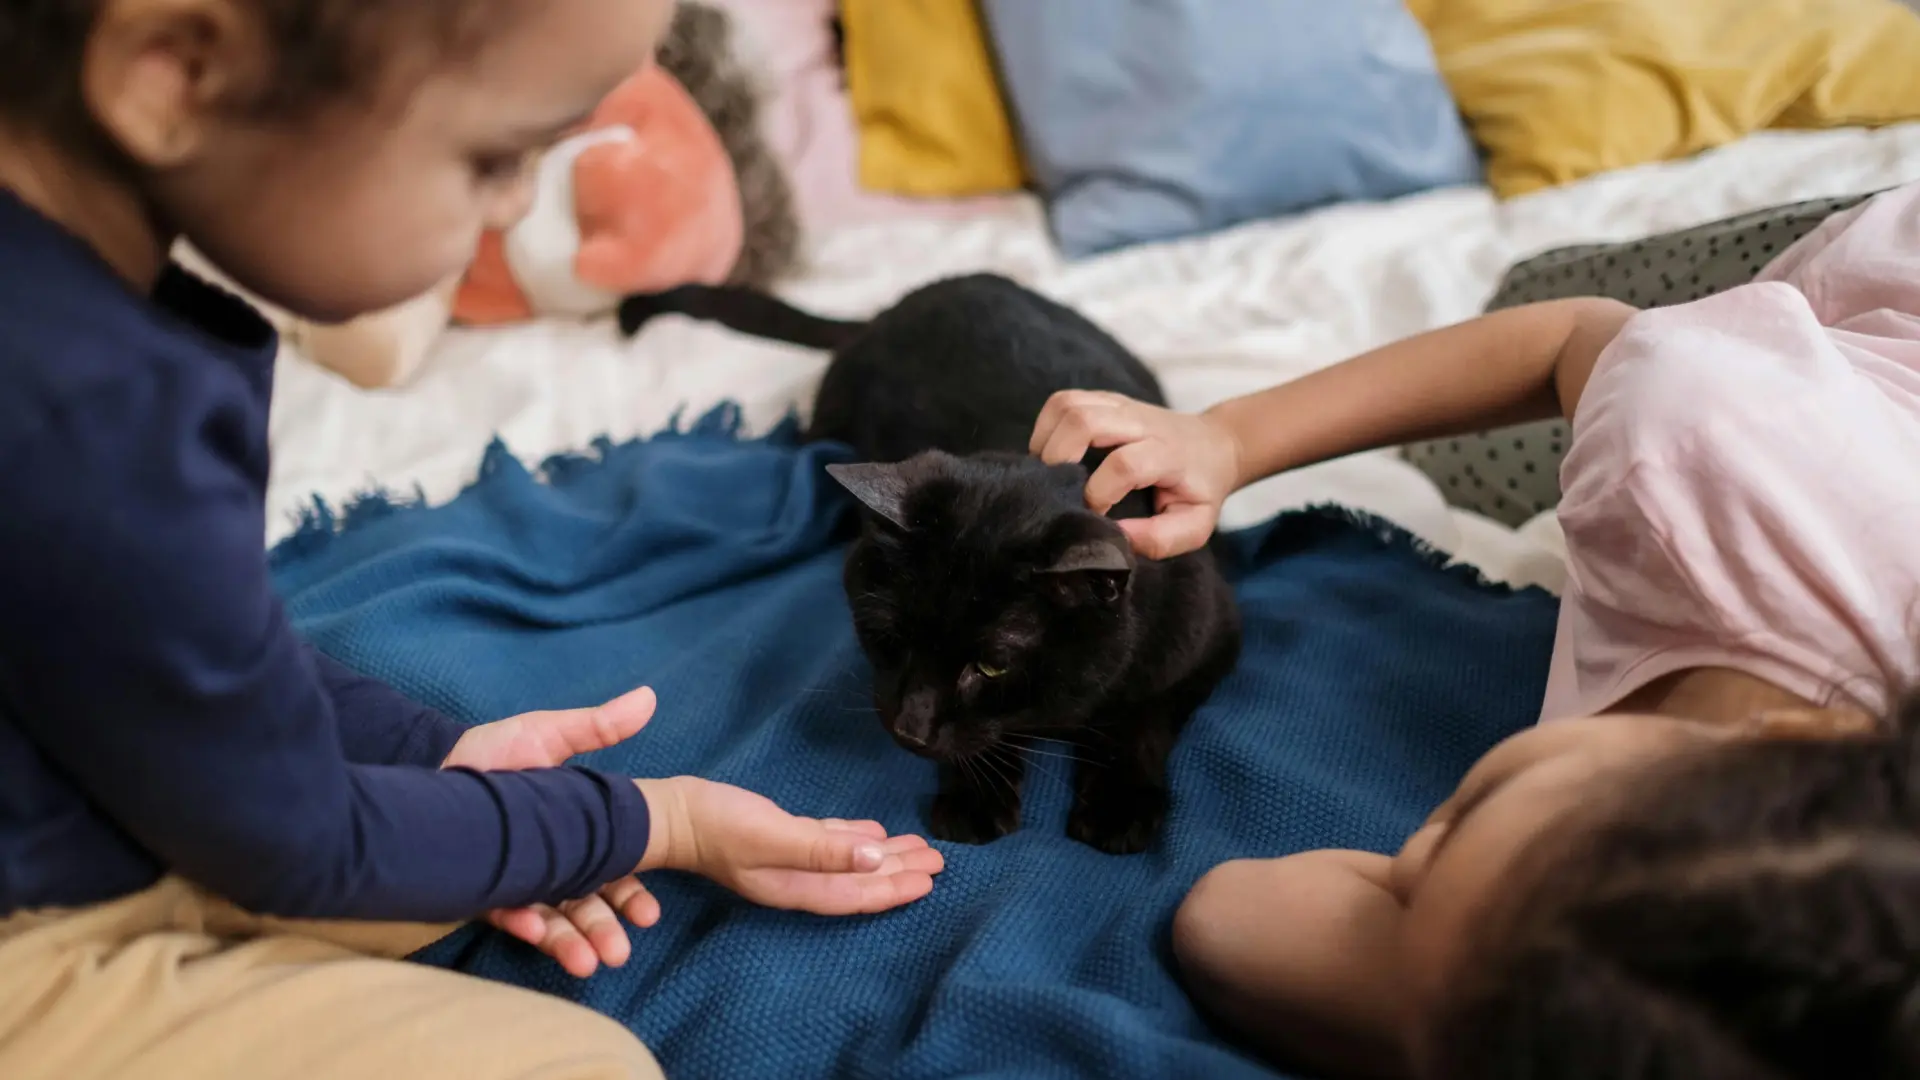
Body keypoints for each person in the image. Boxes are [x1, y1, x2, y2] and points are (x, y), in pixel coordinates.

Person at [0, 2, 942, 1077]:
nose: (516, 208)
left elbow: (149, 646)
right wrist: (658, 821)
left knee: (441, 860)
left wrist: (432, 758)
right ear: (176, 72)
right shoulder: (96, 408)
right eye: (495, 158)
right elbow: (308, 842)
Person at [1030, 181, 1920, 1078]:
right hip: (1857, 300)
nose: (1407, 859)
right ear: (1795, 742)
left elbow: (1230, 919)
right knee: (1579, 301)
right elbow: (1568, 337)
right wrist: (1229, 437)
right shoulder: (1689, 456)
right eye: (1468, 813)